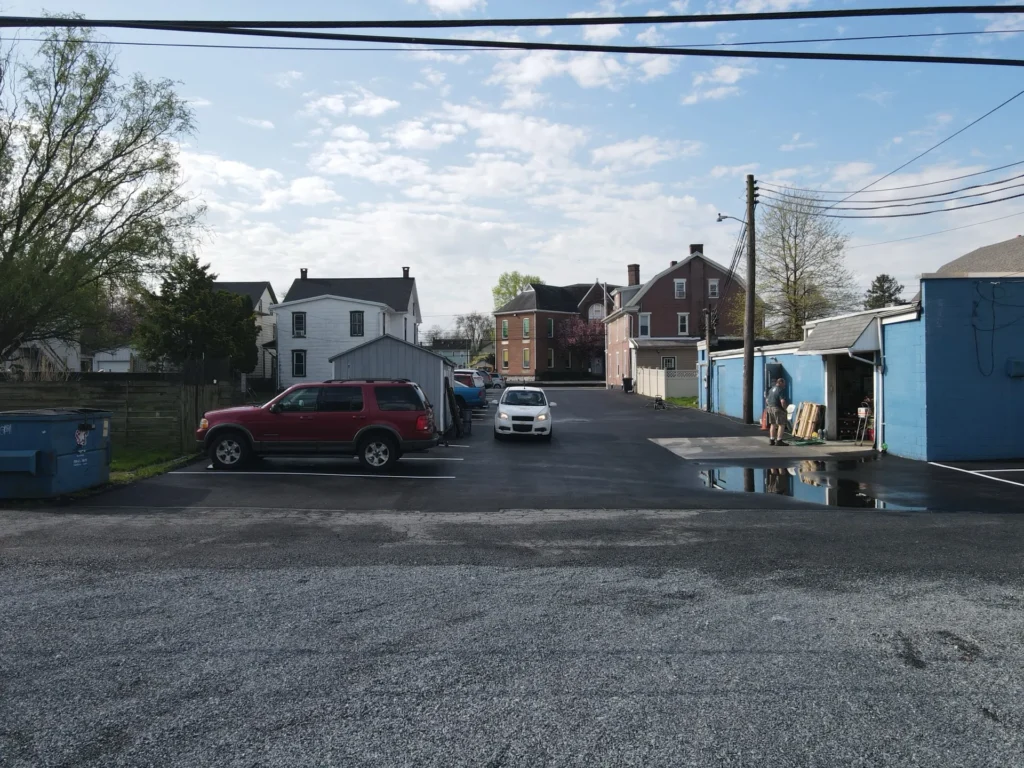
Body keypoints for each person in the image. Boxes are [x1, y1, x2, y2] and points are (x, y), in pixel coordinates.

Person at [765, 377, 789, 446]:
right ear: (780, 383)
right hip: (777, 408)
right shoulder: (780, 390)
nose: (784, 385)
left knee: (773, 424)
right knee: (781, 424)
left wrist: (769, 406)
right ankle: (779, 440)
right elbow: (782, 401)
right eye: (784, 383)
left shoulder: (771, 389)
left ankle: (771, 440)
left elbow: (766, 400)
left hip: (770, 407)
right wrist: (785, 409)